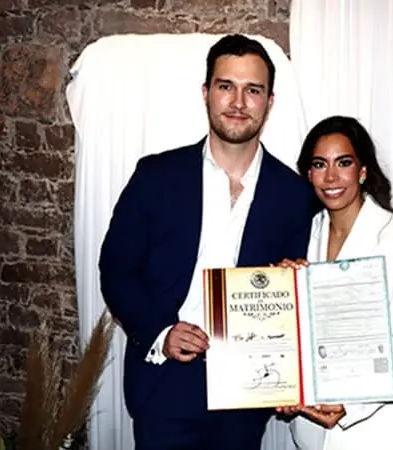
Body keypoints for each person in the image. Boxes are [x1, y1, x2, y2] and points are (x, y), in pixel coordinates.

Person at [98, 34, 315, 450]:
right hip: (166, 382)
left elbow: (295, 298)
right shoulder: (155, 176)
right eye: (226, 86)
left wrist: (292, 375)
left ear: (269, 102)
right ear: (206, 93)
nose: (238, 102)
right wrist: (161, 332)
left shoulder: (294, 195)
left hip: (247, 392)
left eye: (253, 90)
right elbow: (117, 269)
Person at [276, 116, 393, 450]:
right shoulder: (303, 236)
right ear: (309, 174)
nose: (331, 176)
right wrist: (283, 386)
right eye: (320, 164)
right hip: (309, 432)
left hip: (373, 433)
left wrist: (349, 402)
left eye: (343, 163)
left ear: (362, 171)